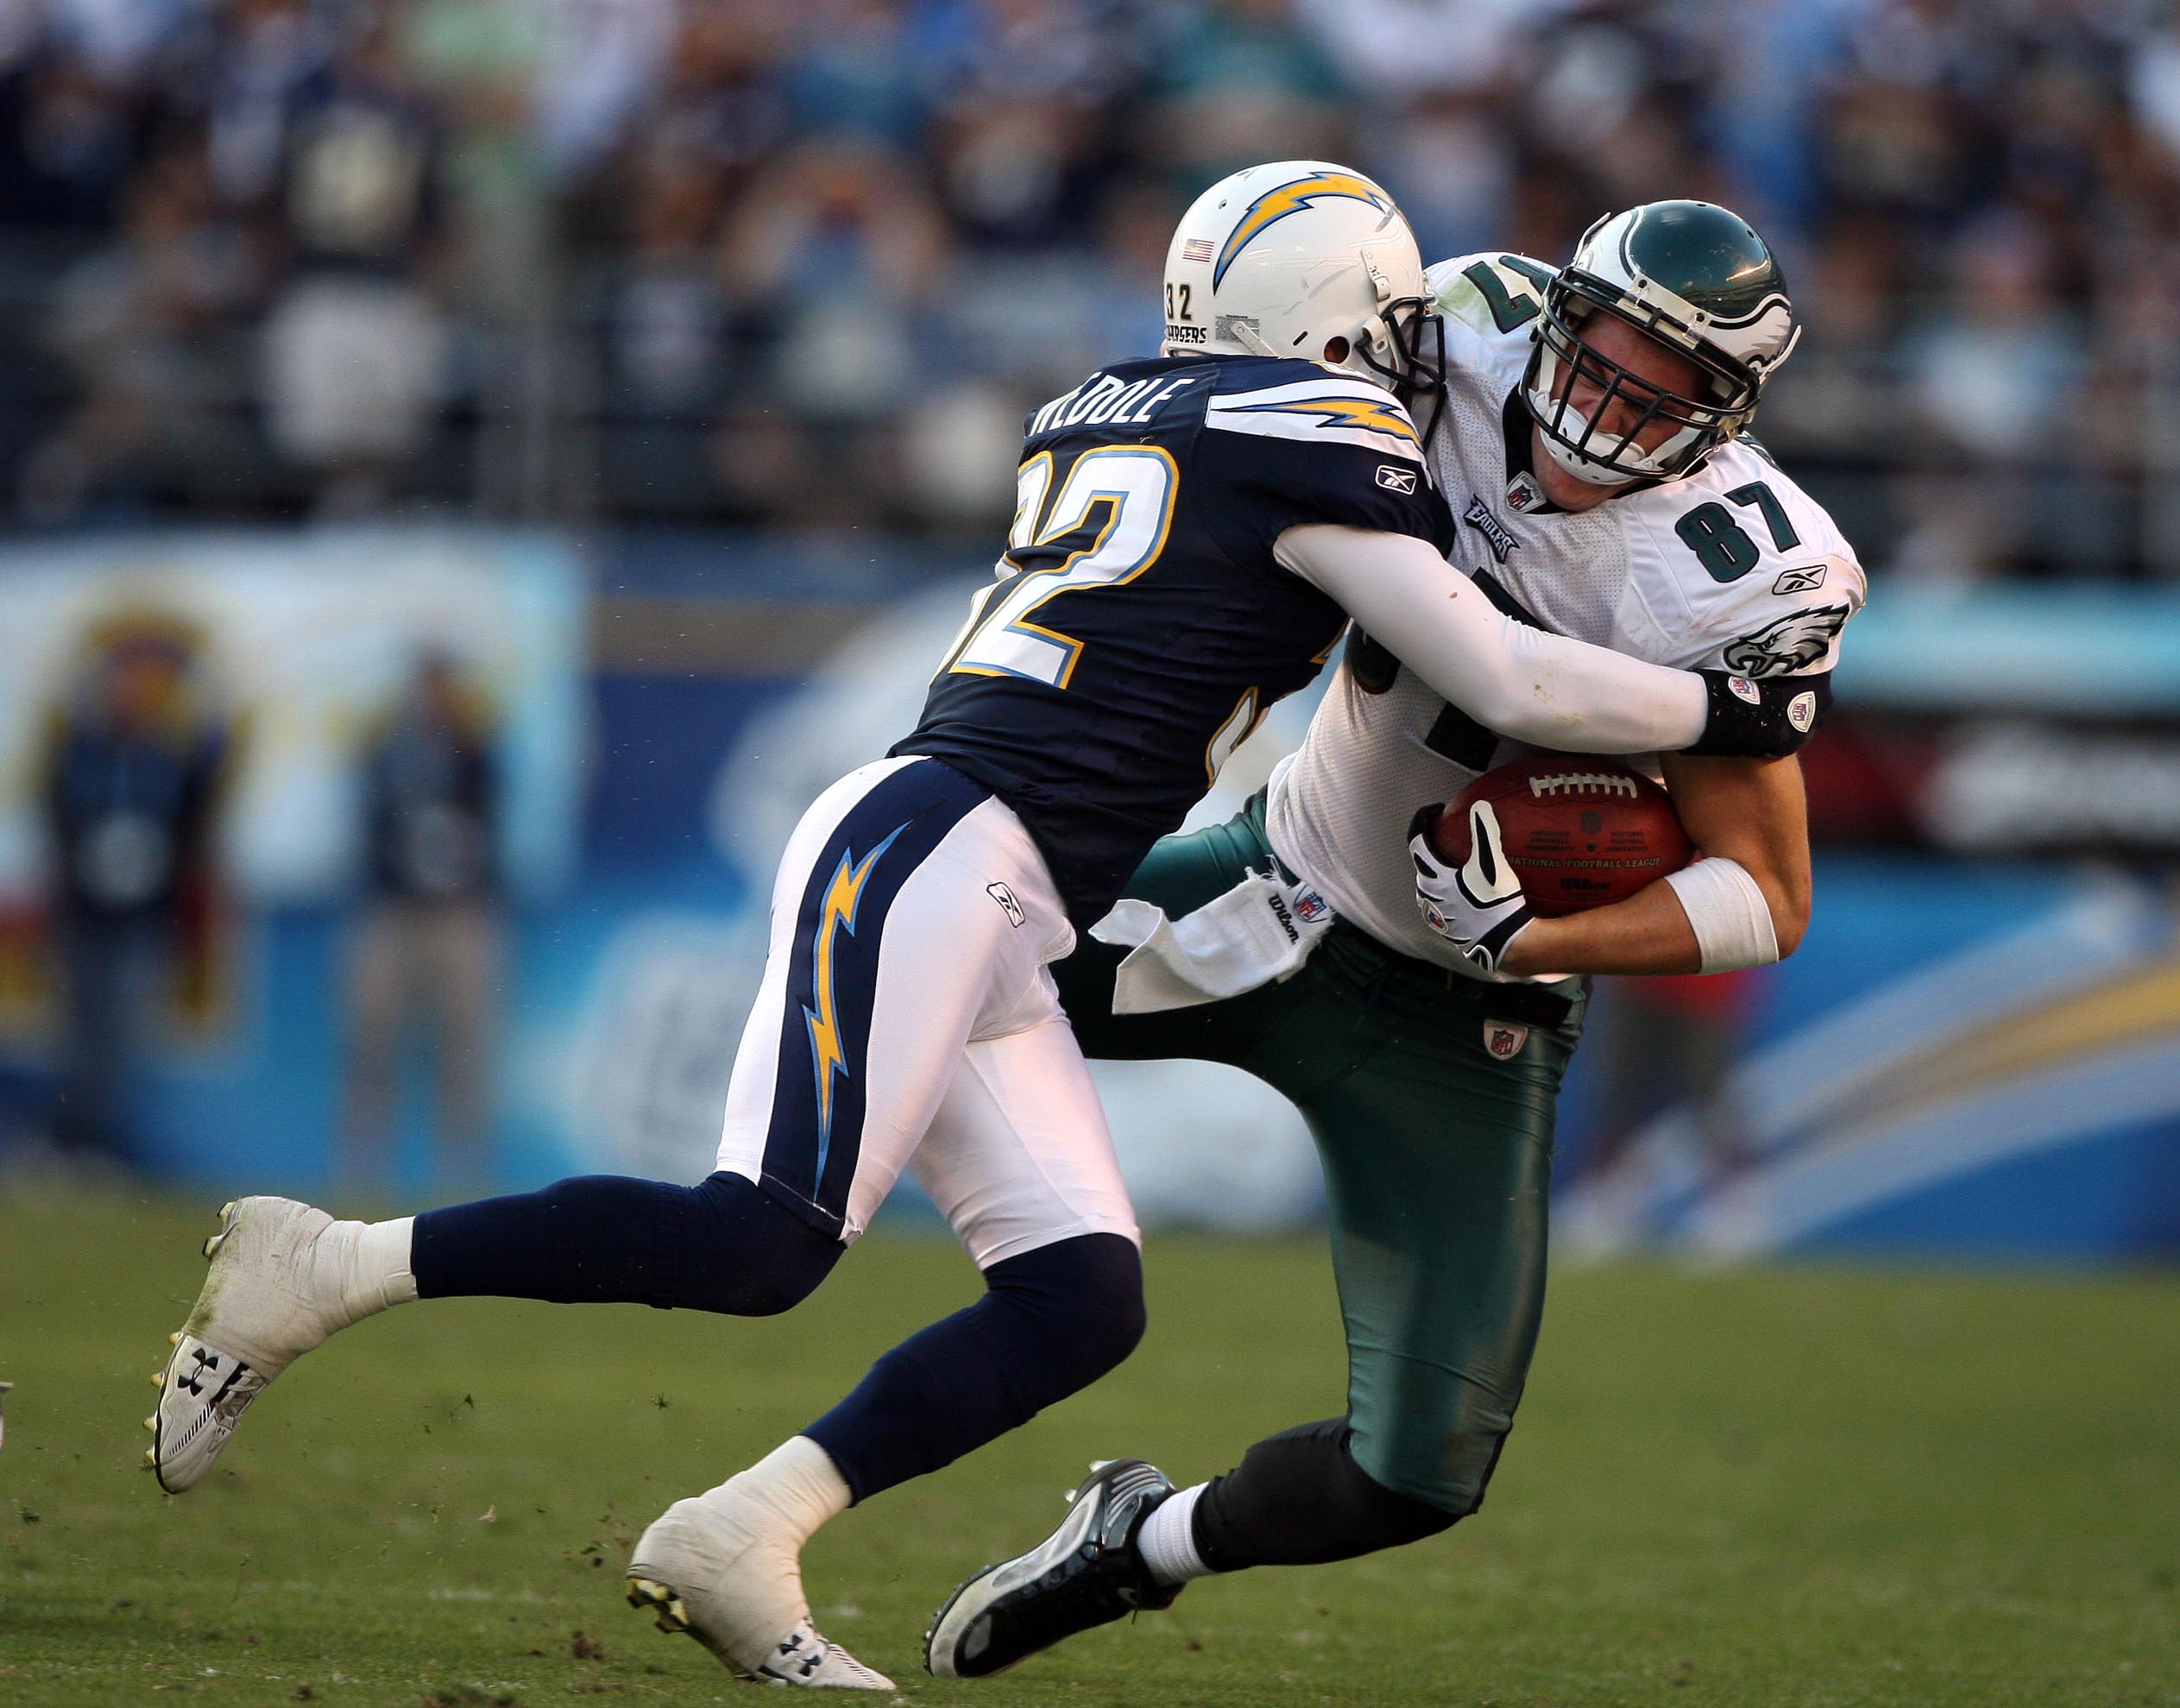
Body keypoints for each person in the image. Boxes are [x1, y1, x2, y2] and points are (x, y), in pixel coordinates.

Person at [146, 167, 1813, 1692]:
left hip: (1029, 886)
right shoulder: (1321, 428)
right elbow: (1509, 676)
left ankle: (744, 1529)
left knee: (1082, 1298)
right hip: (964, 849)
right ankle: (332, 1262)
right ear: (1341, 329)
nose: (1415, 366)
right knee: (759, 1242)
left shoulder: (1117, 401)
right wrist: (1740, 706)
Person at [924, 201, 1863, 1679]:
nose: (1610, 412)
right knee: (911, 977)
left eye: (1664, 395)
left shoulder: (1736, 567)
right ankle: (767, 1359)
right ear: (1552, 318)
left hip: (1471, 1017)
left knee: (1416, 1470)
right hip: (1278, 883)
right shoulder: (1452, 335)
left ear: (1727, 413)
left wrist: (1549, 926)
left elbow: (1770, 896)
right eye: (1604, 363)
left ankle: (1139, 1541)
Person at [41, 617, 233, 1169]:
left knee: (122, 1038)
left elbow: (205, 788)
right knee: (80, 1035)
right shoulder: (80, 750)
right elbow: (57, 817)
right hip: (85, 913)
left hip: (140, 916)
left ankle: (99, 1144)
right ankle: (68, 1143)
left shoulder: (170, 756)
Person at [341, 649, 505, 1194]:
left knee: (463, 1048)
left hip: (458, 913)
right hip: (396, 909)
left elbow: (491, 822)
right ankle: (362, 1171)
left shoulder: (476, 752)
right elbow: (369, 820)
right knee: (373, 1043)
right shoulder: (388, 751)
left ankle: (461, 1173)